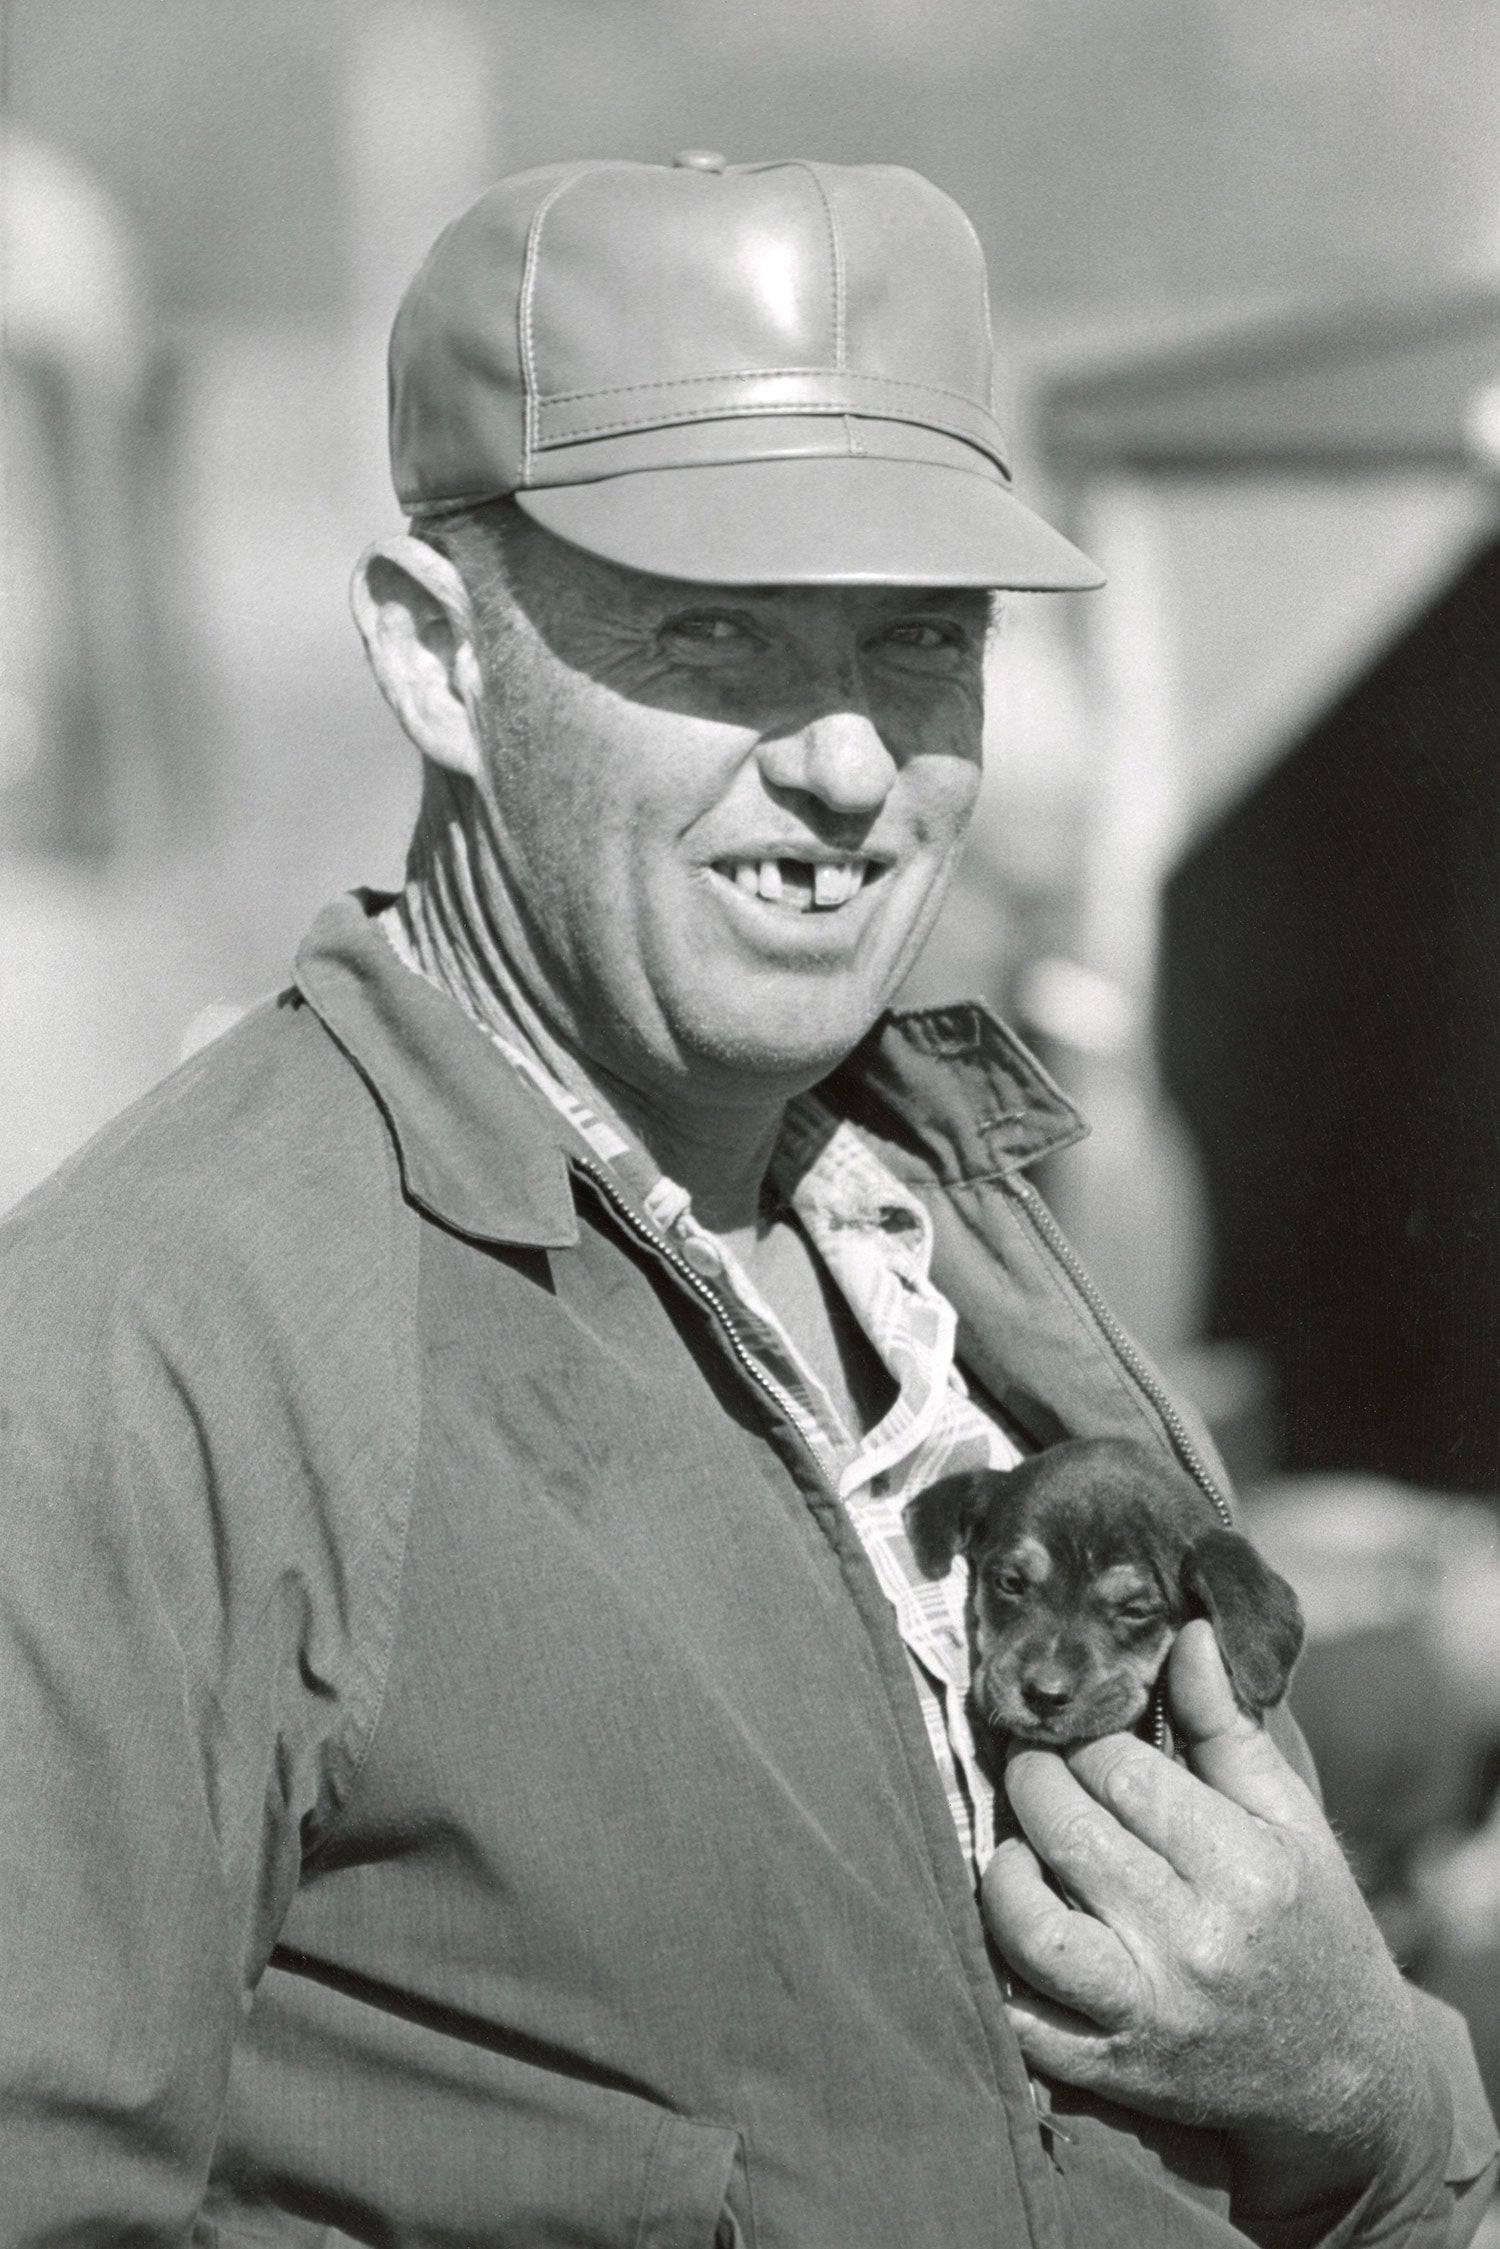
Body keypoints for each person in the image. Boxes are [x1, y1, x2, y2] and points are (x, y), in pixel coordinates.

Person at [0, 153, 1494, 2249]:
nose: (850, 766)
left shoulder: (972, 1239)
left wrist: (1370, 2091)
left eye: (920, 638)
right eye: (716, 630)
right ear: (435, 659)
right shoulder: (153, 1351)